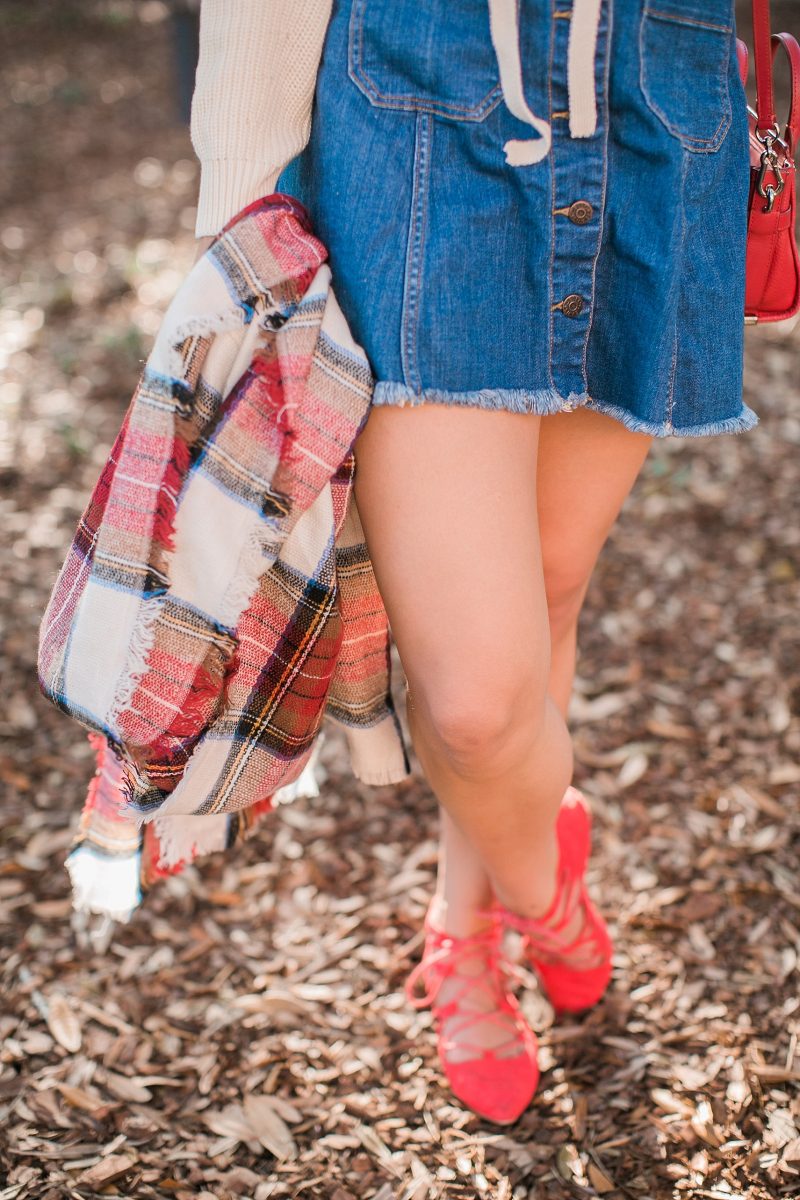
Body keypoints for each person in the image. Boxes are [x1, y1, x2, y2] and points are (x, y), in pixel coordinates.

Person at [188, 0, 755, 1124]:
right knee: (476, 705)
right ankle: (545, 892)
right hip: (427, 112)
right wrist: (235, 222)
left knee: (547, 580)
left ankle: (466, 920)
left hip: (657, 93)